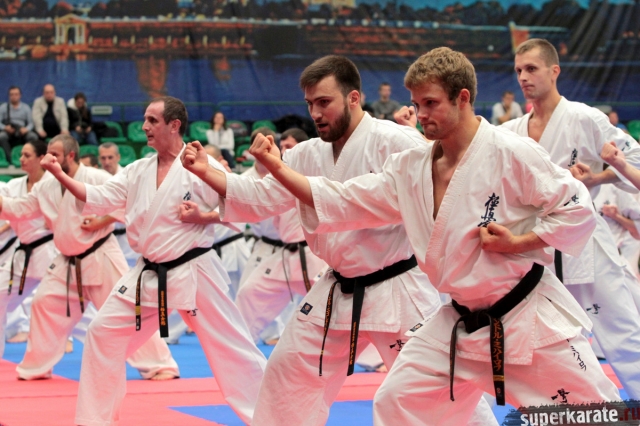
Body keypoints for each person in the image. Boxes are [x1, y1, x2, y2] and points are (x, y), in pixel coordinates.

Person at [244, 47, 620, 424]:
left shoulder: (510, 151)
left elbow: (576, 207)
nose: (421, 114)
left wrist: (518, 243)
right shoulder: (411, 166)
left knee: (596, 415)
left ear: (462, 98)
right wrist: (278, 168)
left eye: (430, 103)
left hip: (526, 314)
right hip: (459, 319)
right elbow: (344, 198)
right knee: (398, 401)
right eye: (416, 104)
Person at [181, 55, 497, 425]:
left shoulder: (396, 141)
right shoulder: (306, 153)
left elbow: (374, 201)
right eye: (310, 104)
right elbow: (262, 198)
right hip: (337, 289)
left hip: (397, 287)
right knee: (288, 375)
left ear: (353, 98)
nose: (315, 113)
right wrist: (207, 172)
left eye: (324, 102)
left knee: (440, 386)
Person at [40, 97, 266, 425]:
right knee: (102, 334)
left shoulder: (201, 165)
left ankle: (273, 418)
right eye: (145, 120)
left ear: (174, 125)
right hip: (147, 273)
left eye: (152, 120)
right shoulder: (138, 170)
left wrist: (203, 216)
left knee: (232, 349)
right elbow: (98, 197)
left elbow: (243, 209)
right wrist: (59, 173)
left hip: (195, 270)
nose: (144, 126)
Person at [503, 38, 640, 399]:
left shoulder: (584, 117)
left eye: (531, 68)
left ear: (554, 71)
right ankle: (577, 409)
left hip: (585, 242)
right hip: (538, 246)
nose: (523, 77)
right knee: (551, 343)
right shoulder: (511, 131)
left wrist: (598, 177)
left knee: (622, 331)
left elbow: (633, 161)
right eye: (518, 70)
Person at [0, 134, 179, 383]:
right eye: (48, 153)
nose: (49, 159)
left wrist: (100, 221)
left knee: (127, 311)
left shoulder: (96, 178)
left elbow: (129, 202)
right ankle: (36, 367)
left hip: (100, 255)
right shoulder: (46, 186)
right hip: (66, 261)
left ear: (71, 156)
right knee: (44, 305)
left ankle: (159, 365)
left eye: (55, 154)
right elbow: (19, 209)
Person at [234, 127, 328, 344]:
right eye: (282, 146)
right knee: (250, 293)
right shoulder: (277, 178)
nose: (285, 151)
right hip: (285, 254)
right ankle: (240, 347)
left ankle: (370, 354)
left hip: (312, 255)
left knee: (334, 304)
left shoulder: (314, 174)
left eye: (289, 146)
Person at [0, 140, 57, 357]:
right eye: (21, 155)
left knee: (56, 303)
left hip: (50, 250)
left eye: (27, 155)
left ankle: (63, 342)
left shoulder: (55, 183)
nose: (21, 159)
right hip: (23, 252)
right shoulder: (14, 186)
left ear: (41, 158)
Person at [0, 86, 38, 161]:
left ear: (20, 95)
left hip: (22, 131)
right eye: (12, 94)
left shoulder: (26, 108)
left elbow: (31, 123)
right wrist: (5, 128)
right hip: (8, 131)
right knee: (1, 137)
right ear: (9, 96)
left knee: (33, 136)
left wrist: (26, 129)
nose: (14, 96)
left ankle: (26, 157)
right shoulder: (3, 108)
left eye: (16, 94)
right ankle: (10, 158)